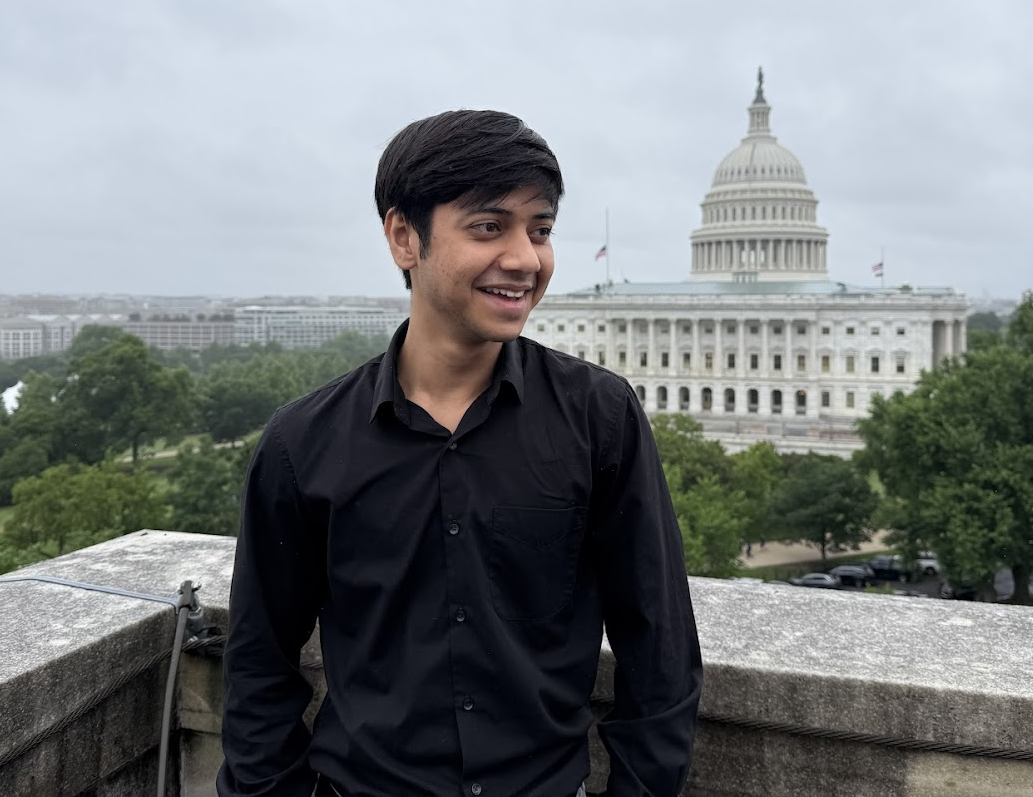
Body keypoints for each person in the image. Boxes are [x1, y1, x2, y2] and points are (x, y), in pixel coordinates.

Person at [217, 110, 702, 797]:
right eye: (488, 227)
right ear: (402, 237)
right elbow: (259, 666)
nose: (525, 259)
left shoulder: (599, 417)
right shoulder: (303, 442)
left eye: (540, 230)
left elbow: (659, 649)